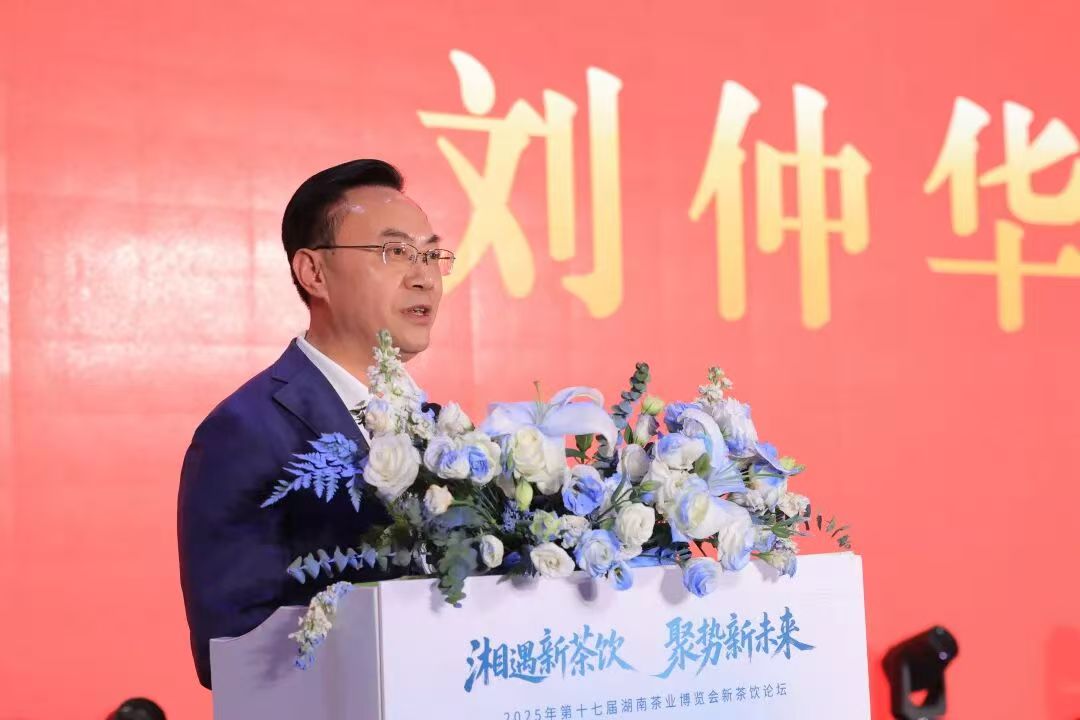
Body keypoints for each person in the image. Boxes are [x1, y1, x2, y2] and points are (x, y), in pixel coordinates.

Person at [177, 159, 452, 688]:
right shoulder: (246, 431)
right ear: (314, 273)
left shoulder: (440, 431)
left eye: (431, 255)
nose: (424, 276)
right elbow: (227, 650)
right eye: (395, 252)